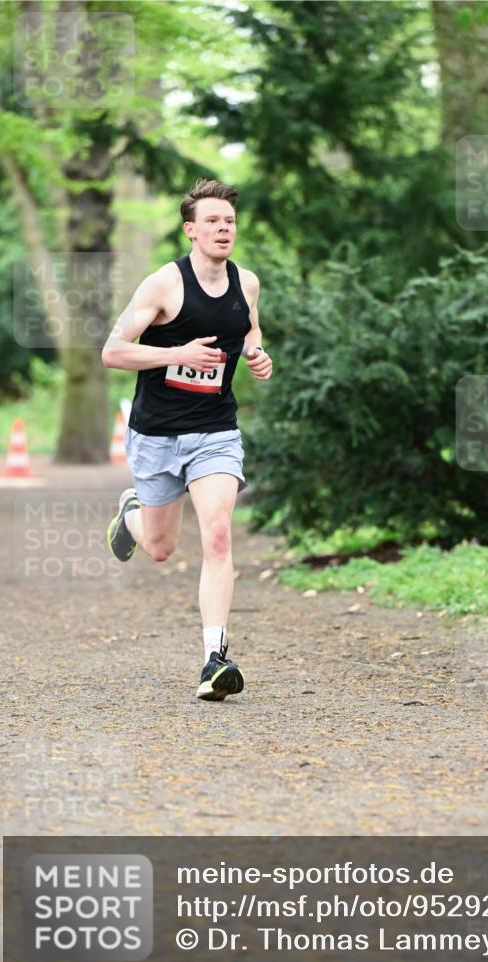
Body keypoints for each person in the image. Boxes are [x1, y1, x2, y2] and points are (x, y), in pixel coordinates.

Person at [101, 178, 272, 702]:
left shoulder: (247, 284)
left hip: (216, 431)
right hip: (155, 434)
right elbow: (112, 351)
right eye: (214, 221)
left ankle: (214, 660)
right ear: (191, 230)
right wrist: (176, 354)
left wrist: (258, 355)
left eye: (230, 221)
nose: (224, 229)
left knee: (218, 533)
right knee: (160, 548)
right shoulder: (162, 286)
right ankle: (132, 515)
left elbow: (249, 332)